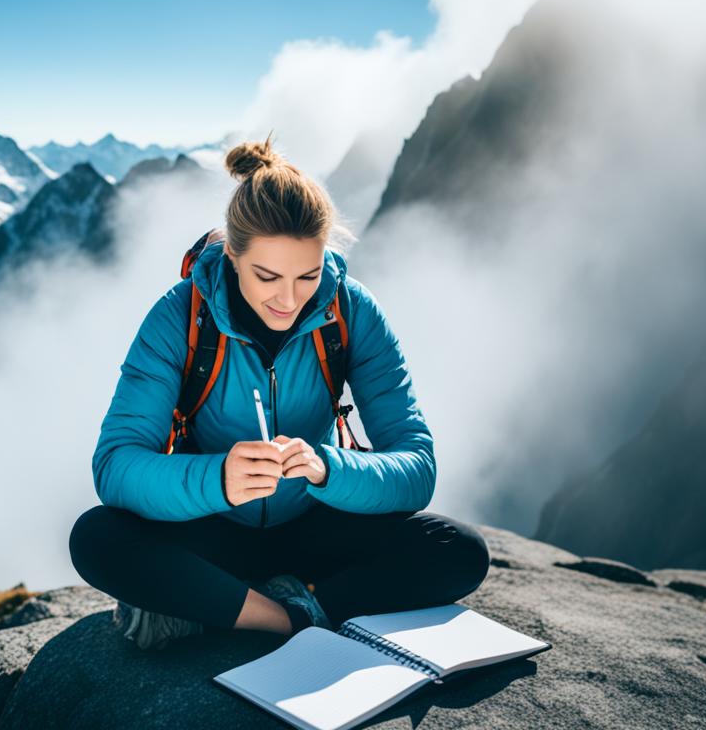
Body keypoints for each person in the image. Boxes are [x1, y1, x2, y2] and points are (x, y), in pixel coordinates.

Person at [70, 135, 490, 650]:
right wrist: (218, 478)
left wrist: (327, 470)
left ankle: (244, 608)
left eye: (308, 275)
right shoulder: (179, 317)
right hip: (213, 525)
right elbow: (115, 465)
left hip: (314, 522)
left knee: (460, 550)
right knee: (96, 538)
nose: (288, 298)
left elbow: (417, 467)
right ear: (232, 255)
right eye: (266, 276)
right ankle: (291, 617)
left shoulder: (352, 312)